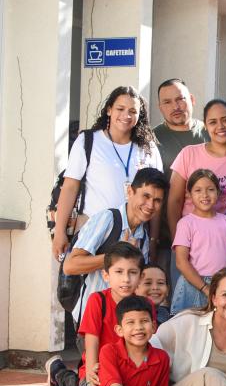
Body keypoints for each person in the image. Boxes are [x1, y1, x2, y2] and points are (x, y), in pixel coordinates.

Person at [52, 86, 163, 262]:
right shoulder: (88, 141)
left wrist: (153, 239)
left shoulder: (147, 148)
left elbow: (157, 196)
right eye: (120, 109)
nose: (126, 115)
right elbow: (70, 188)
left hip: (135, 233)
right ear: (109, 110)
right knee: (88, 278)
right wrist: (59, 232)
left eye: (133, 111)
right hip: (94, 232)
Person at [47, 242, 153, 386]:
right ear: (106, 275)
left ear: (141, 277)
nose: (126, 279)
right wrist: (91, 383)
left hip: (130, 371)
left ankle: (60, 373)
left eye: (132, 272)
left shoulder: (145, 305)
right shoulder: (98, 300)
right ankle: (59, 373)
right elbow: (91, 343)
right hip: (98, 369)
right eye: (119, 272)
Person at [61, 167, 168, 324]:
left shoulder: (143, 236)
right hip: (93, 321)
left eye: (157, 200)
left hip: (120, 323)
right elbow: (70, 266)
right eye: (146, 196)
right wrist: (117, 256)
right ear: (130, 192)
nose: (150, 205)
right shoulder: (108, 219)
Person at [167, 98, 226, 240]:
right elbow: (174, 201)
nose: (220, 126)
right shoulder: (188, 154)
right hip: (192, 242)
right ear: (205, 126)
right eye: (213, 122)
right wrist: (177, 241)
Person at [151, 78, 209, 273]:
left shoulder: (210, 133)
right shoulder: (151, 140)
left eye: (180, 99)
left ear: (191, 99)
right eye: (167, 102)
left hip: (211, 238)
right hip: (167, 240)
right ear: (160, 107)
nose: (175, 106)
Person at [172, 169, 226, 315]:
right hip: (193, 283)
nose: (205, 195)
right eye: (198, 190)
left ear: (218, 192)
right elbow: (181, 261)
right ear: (189, 194)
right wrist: (204, 287)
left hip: (222, 284)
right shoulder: (186, 223)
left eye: (210, 189)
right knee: (191, 325)